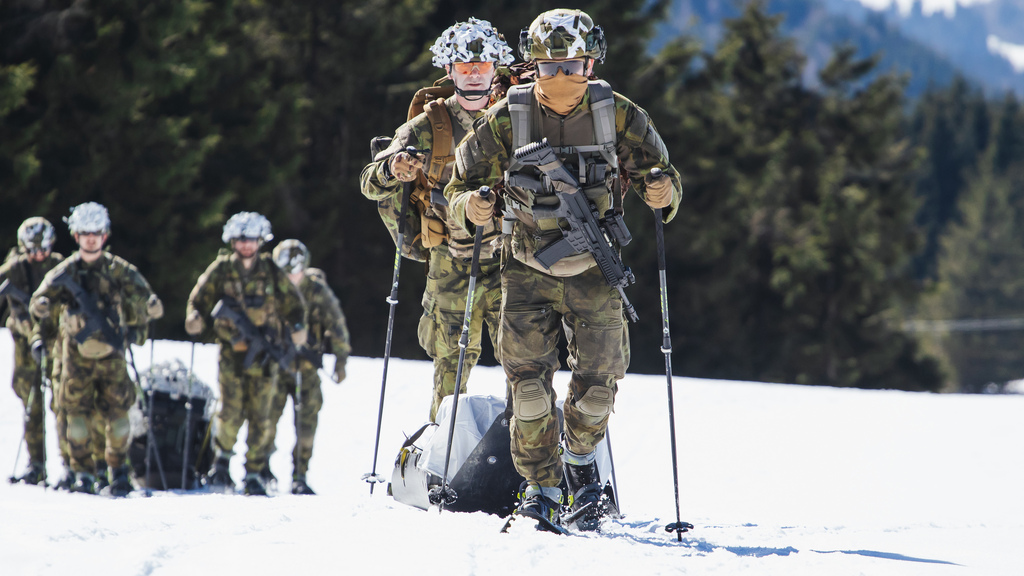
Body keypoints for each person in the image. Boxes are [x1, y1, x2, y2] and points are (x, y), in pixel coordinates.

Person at [445, 9, 682, 531]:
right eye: (547, 68)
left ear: (590, 63)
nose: (559, 78)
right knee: (528, 388)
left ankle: (580, 464)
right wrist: (472, 208)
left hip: (596, 271)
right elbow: (458, 185)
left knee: (599, 386)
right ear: (532, 67)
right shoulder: (508, 117)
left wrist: (663, 191)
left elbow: (659, 175)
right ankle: (540, 486)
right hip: (527, 267)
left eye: (570, 66)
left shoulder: (617, 114)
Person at [360, 18, 512, 422]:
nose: (475, 73)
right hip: (449, 261)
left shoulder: (519, 118)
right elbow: (369, 183)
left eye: (483, 65)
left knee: (526, 367)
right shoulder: (427, 127)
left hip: (511, 261)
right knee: (450, 371)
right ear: (449, 70)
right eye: (464, 66)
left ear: (498, 67)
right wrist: (394, 169)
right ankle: (441, 452)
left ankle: (532, 461)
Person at [30, 203, 163, 496]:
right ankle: (83, 473)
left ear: (105, 235)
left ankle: (118, 471)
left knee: (119, 422)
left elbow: (145, 295)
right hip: (75, 357)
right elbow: (42, 297)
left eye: (97, 233)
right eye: (85, 233)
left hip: (112, 357)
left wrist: (150, 305)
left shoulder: (118, 269)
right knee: (76, 421)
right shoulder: (66, 271)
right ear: (76, 236)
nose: (91, 238)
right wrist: (41, 304)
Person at [184, 212, 306, 496]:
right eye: (242, 240)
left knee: (262, 416)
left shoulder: (272, 270)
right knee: (229, 412)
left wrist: (298, 326)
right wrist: (195, 317)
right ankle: (221, 464)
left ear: (260, 241)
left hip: (264, 359)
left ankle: (253, 471)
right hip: (231, 356)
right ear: (233, 241)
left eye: (252, 240)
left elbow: (294, 303)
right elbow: (198, 299)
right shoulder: (222, 269)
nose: (247, 246)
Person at [255, 239, 350, 495]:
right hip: (274, 367)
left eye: (297, 269)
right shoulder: (268, 288)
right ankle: (259, 468)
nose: (293, 275)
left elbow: (337, 324)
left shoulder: (317, 290)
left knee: (306, 425)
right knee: (265, 421)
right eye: (287, 269)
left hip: (306, 370)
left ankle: (299, 475)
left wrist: (340, 361)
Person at [1, 217, 63, 485]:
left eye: (44, 249)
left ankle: (75, 466)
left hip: (56, 340)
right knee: (30, 402)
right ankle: (36, 464)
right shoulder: (14, 268)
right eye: (34, 249)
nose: (40, 255)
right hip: (26, 345)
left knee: (63, 400)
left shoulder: (59, 265)